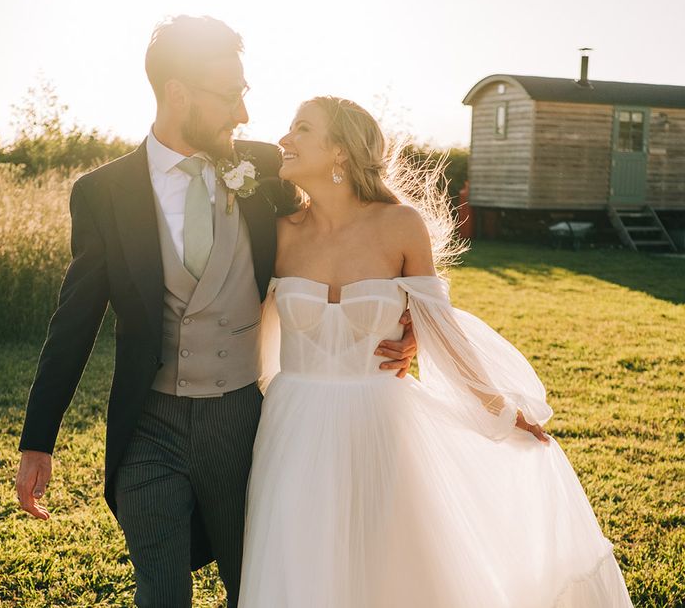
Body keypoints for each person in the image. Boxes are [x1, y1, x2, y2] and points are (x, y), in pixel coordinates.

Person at [14, 18, 417, 608]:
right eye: (231, 95)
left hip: (244, 423)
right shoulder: (102, 194)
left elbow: (352, 223)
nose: (245, 114)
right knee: (160, 589)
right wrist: (37, 439)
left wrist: (404, 317)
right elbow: (73, 322)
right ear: (180, 93)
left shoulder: (268, 170)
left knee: (251, 584)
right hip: (148, 425)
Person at [237, 96, 635, 607]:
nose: (283, 139)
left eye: (301, 128)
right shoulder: (277, 231)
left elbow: (440, 326)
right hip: (293, 423)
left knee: (388, 567)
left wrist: (497, 408)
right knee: (298, 565)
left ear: (340, 151)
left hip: (380, 419)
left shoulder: (400, 225)